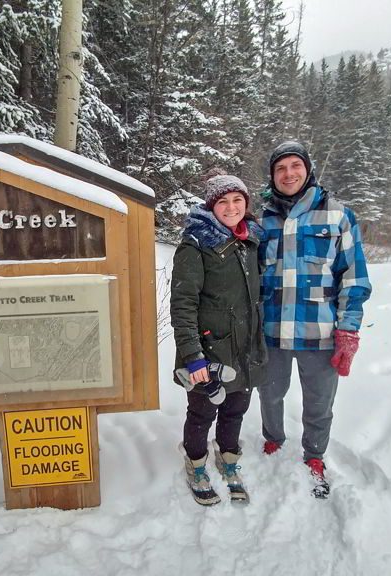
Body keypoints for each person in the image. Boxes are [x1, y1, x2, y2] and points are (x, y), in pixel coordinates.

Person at [257, 141, 372, 499]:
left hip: (319, 332)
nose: (288, 174)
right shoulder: (259, 219)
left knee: (319, 403)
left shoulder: (338, 215)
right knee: (270, 395)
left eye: (295, 166)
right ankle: (273, 440)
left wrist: (348, 330)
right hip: (270, 331)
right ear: (272, 176)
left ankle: (315, 455)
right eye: (280, 169)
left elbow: (353, 276)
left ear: (308, 170)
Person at [170, 170, 266, 506]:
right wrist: (193, 356)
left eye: (237, 199)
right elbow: (183, 304)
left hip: (244, 347)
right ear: (211, 207)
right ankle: (196, 463)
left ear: (246, 203)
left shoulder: (251, 241)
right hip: (208, 351)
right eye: (222, 201)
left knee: (235, 409)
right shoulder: (195, 244)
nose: (231, 207)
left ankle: (228, 458)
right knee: (202, 412)